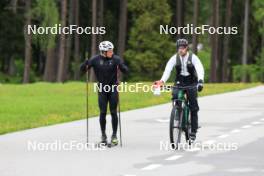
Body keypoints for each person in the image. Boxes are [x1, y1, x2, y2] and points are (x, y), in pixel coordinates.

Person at [155, 38, 204, 141]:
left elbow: (200, 68)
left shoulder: (193, 57)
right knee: (176, 96)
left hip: (191, 83)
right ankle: (177, 114)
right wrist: (162, 81)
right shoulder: (174, 58)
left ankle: (193, 130)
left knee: (193, 106)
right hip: (179, 82)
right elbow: (167, 70)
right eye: (179, 48)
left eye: (182, 48)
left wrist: (200, 81)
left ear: (187, 48)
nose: (180, 50)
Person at [80, 41, 128, 145]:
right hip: (102, 88)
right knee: (102, 112)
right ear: (103, 52)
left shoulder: (116, 59)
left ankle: (114, 135)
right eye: (110, 51)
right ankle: (103, 135)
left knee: (113, 111)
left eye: (112, 50)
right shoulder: (95, 60)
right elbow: (82, 70)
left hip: (113, 88)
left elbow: (126, 70)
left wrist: (123, 67)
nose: (112, 52)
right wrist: (85, 64)